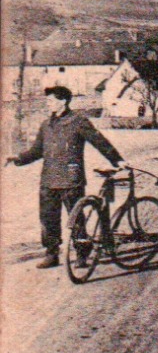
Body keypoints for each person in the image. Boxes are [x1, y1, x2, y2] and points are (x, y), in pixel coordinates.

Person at [5, 87, 126, 269]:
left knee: (76, 218)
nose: (48, 104)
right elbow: (37, 151)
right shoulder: (46, 125)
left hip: (71, 179)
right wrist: (19, 158)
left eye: (51, 100)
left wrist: (117, 160)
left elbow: (98, 140)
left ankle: (82, 254)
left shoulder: (78, 121)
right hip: (49, 179)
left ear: (63, 101)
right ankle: (52, 254)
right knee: (48, 219)